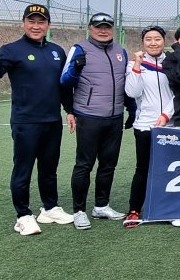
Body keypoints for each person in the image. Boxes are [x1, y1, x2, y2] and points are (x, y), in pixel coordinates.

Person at [0, 4, 74, 235]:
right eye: (31, 21)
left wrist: (70, 110)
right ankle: (23, 215)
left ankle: (50, 208)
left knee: (49, 168)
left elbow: (63, 86)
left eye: (41, 22)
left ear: (48, 25)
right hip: (26, 121)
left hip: (53, 121)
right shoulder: (12, 50)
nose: (36, 26)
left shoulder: (56, 51)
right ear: (24, 23)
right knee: (23, 169)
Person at [61, 12, 131, 230]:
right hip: (89, 116)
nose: (103, 30)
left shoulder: (121, 52)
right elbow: (64, 81)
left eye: (107, 26)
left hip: (114, 117)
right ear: (90, 28)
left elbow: (126, 85)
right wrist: (76, 68)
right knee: (84, 164)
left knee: (108, 164)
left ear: (112, 28)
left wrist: (132, 110)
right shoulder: (79, 49)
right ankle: (79, 210)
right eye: (98, 26)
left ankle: (101, 205)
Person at [122, 26, 174, 229]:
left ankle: (169, 207)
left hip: (171, 124)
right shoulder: (135, 64)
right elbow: (132, 92)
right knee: (143, 168)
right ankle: (134, 209)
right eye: (149, 39)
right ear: (143, 42)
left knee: (170, 168)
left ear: (164, 41)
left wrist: (165, 115)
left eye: (158, 39)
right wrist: (136, 65)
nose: (153, 43)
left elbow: (179, 93)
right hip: (145, 125)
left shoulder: (172, 62)